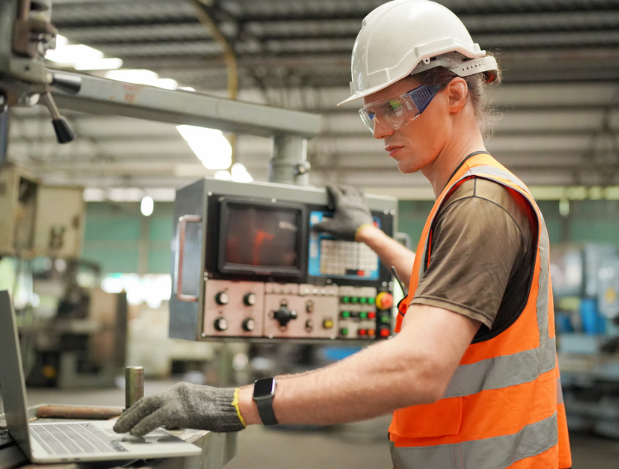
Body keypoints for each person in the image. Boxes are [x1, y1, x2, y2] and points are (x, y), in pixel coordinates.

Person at [113, 1, 572, 467]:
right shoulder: (473, 195)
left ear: (455, 96)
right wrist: (368, 234)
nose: (379, 131)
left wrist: (238, 403)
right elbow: (447, 292)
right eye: (370, 113)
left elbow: (419, 367)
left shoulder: (479, 205)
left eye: (392, 107)